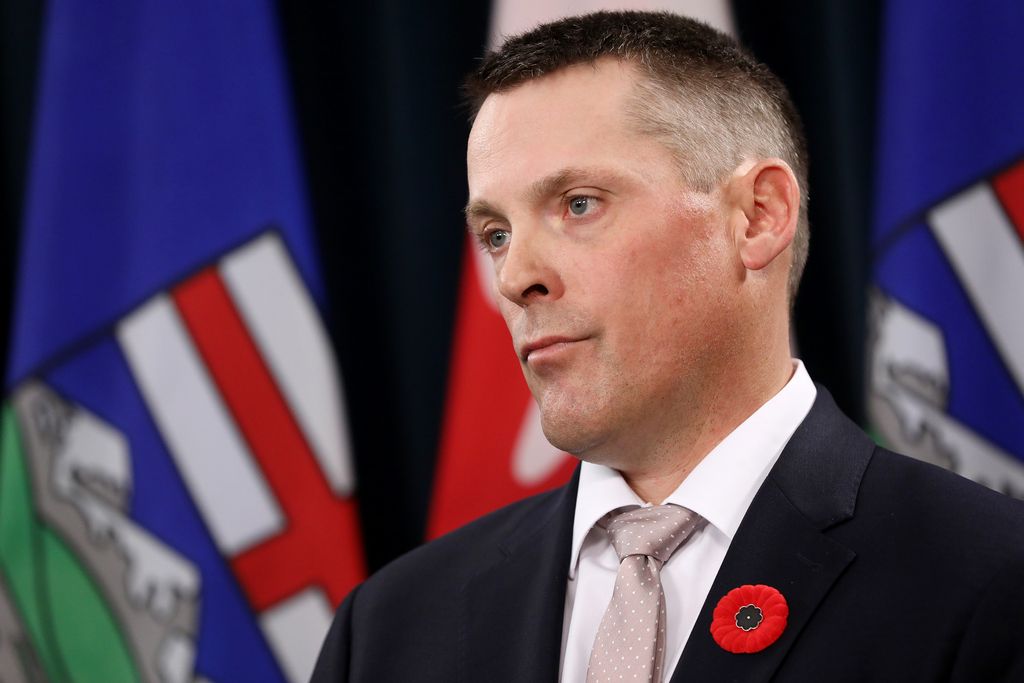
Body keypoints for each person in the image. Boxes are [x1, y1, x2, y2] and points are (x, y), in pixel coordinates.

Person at [312, 11, 1024, 682]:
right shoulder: (385, 631)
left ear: (757, 216)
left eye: (578, 204)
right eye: (496, 233)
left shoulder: (989, 580)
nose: (515, 276)